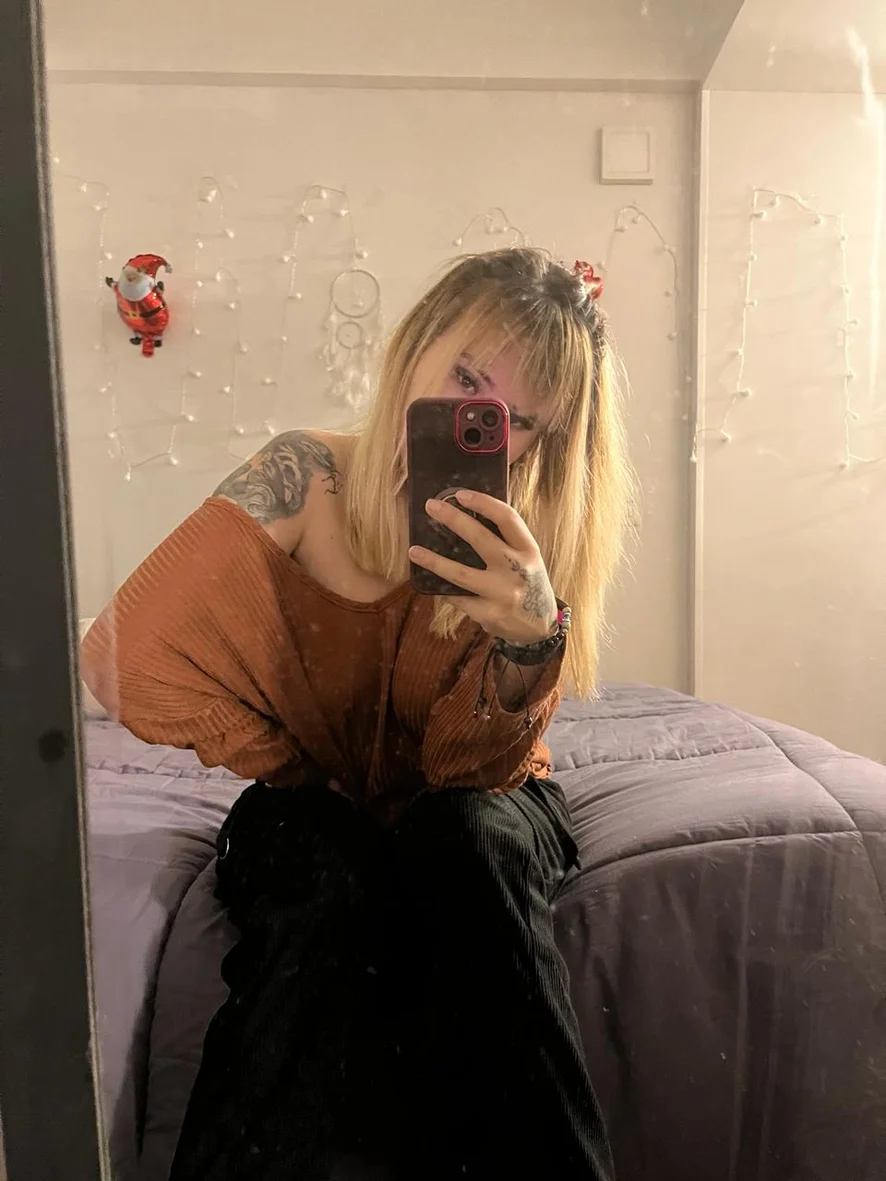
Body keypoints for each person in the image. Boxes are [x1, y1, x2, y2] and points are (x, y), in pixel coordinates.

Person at [81, 247, 632, 1181]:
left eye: (516, 420)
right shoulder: (304, 475)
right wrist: (292, 763)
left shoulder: (530, 538)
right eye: (467, 378)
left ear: (540, 441)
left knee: (466, 838)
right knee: (320, 873)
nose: (477, 420)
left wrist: (530, 639)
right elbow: (122, 657)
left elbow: (468, 771)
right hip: (313, 797)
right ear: (416, 344)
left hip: (489, 793)